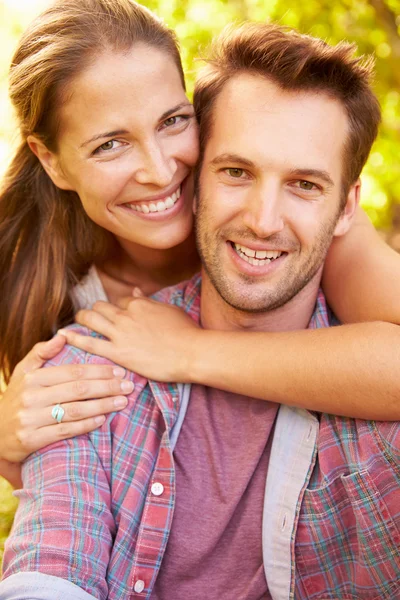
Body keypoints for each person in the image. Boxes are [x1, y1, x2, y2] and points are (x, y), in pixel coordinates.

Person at [1, 20, 399, 600]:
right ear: (53, 161)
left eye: (171, 122)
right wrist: (11, 442)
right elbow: (58, 529)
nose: (161, 172)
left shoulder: (317, 234)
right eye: (110, 143)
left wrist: (189, 349)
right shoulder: (48, 300)